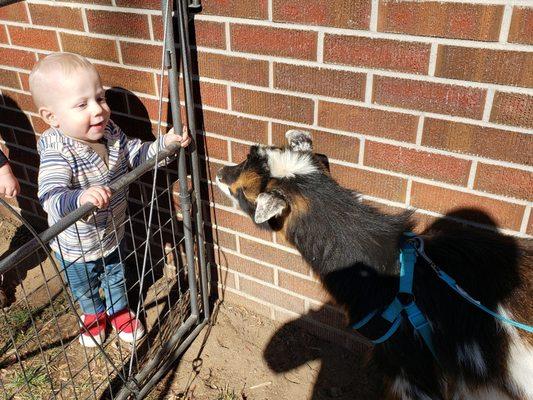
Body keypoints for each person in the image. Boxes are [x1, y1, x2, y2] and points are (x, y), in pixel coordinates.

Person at [29, 52, 191, 347]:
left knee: (116, 274)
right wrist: (79, 199)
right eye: (82, 104)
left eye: (100, 98)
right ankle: (93, 315)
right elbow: (50, 196)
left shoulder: (112, 133)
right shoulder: (57, 151)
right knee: (84, 285)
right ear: (51, 117)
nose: (99, 110)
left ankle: (118, 311)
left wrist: (164, 146)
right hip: (74, 245)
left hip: (113, 233)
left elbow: (135, 156)